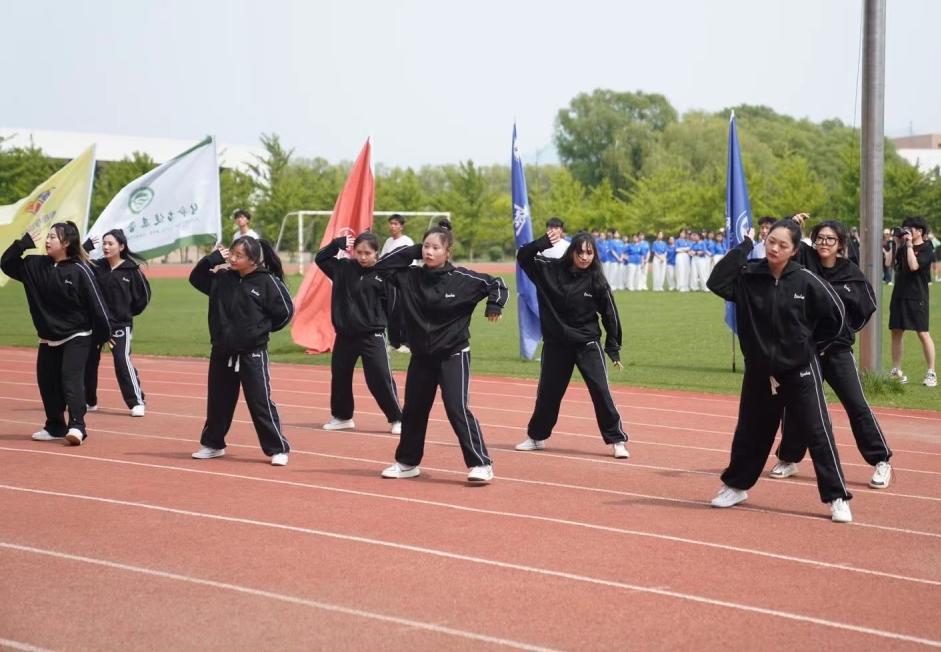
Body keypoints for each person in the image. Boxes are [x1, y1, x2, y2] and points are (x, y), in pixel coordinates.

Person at [706, 219, 854, 523]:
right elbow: (716, 281)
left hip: (799, 369)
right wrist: (745, 246)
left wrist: (811, 347)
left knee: (818, 432)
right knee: (750, 431)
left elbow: (836, 318)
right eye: (771, 241)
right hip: (760, 371)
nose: (775, 248)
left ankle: (836, 496)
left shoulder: (805, 280)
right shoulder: (749, 276)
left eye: (783, 245)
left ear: (795, 250)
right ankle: (736, 486)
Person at [374, 220, 507, 483]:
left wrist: (494, 305)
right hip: (422, 356)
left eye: (436, 247)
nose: (429, 252)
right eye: (425, 246)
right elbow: (382, 266)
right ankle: (407, 462)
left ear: (448, 252)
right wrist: (412, 251)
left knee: (456, 407)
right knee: (413, 410)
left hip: (453, 354)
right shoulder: (410, 277)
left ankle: (481, 464)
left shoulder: (463, 280)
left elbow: (498, 284)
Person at [771, 217, 893, 488]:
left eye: (830, 239)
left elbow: (866, 307)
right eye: (820, 238)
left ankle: (881, 461)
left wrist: (843, 330)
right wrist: (791, 222)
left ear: (840, 244)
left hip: (837, 352)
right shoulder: (805, 262)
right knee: (796, 405)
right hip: (807, 352)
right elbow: (786, 241)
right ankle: (789, 458)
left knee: (856, 404)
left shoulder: (851, 273)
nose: (824, 243)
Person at [515, 230, 630, 459]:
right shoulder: (549, 270)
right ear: (572, 252)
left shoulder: (597, 280)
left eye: (589, 253)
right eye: (580, 252)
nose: (585, 257)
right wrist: (541, 243)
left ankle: (616, 440)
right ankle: (537, 437)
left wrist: (613, 347)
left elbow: (610, 315)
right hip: (556, 345)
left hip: (587, 344)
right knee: (548, 393)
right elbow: (523, 256)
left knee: (601, 391)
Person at [1, 222, 112, 445]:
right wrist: (22, 244)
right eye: (48, 236)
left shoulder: (80, 269)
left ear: (66, 243)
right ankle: (55, 426)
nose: (48, 240)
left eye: (53, 236)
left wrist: (104, 334)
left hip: (77, 335)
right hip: (48, 336)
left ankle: (77, 427)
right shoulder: (35, 265)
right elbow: (6, 264)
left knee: (70, 380)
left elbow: (97, 303)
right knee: (47, 382)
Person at [189, 237, 294, 465]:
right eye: (232, 253)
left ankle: (277, 448)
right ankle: (213, 444)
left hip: (252, 352)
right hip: (222, 350)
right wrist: (212, 259)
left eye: (239, 255)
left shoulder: (267, 282)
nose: (233, 258)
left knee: (260, 401)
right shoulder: (223, 278)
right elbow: (195, 278)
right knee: (218, 401)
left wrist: (259, 330)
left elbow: (285, 312)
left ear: (253, 259)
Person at [315, 231, 403, 434]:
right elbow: (321, 258)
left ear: (376, 253)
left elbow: (394, 308)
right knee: (340, 376)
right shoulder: (343, 268)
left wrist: (398, 336)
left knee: (380, 377)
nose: (363, 257)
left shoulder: (385, 274)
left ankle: (397, 418)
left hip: (373, 336)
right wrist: (335, 245)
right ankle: (342, 417)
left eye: (367, 253)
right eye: (359, 252)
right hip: (345, 335)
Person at [82, 229, 151, 417]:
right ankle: (89, 400)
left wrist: (126, 314)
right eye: (104, 243)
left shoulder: (132, 270)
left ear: (121, 246)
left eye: (110, 243)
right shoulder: (96, 267)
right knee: (88, 362)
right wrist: (84, 248)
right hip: (97, 325)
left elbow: (143, 298)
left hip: (120, 326)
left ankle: (136, 401)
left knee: (122, 360)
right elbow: (75, 264)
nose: (106, 247)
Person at [885, 216, 936, 387]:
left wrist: (908, 245)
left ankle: (931, 372)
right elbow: (888, 263)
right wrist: (895, 243)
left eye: (910, 228)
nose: (906, 230)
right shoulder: (902, 246)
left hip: (917, 296)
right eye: (904, 227)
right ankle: (896, 370)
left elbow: (914, 266)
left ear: (920, 231)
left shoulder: (927, 248)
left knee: (922, 333)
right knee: (896, 331)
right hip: (899, 294)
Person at [379, 214, 414, 353]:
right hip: (388, 281)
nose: (392, 226)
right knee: (390, 311)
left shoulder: (407, 241)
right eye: (391, 223)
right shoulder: (388, 241)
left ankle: (406, 342)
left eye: (395, 224)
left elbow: (410, 263)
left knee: (403, 311)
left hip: (402, 281)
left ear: (401, 226)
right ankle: (394, 342)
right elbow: (382, 259)